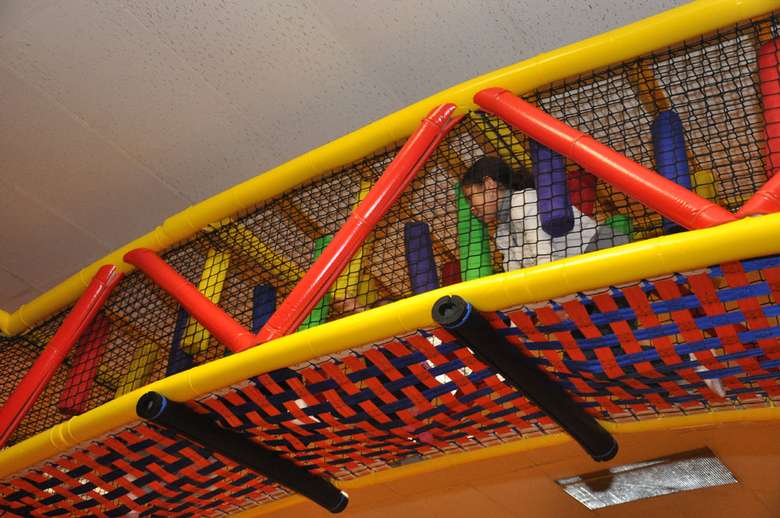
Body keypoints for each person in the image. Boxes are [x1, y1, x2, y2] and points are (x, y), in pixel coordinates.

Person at [461, 155, 604, 272]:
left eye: (470, 197)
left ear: (489, 185)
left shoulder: (522, 201)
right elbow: (513, 274)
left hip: (601, 252)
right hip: (583, 270)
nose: (471, 208)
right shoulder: (503, 234)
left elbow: (544, 256)